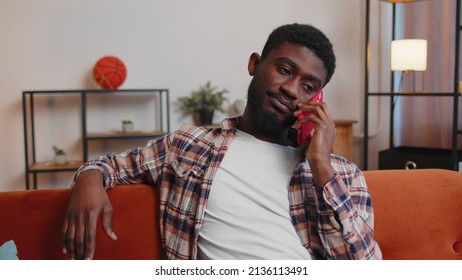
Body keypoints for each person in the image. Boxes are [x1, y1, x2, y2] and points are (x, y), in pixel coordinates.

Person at [62, 23, 382, 260]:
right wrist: (88, 181)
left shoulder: (342, 176)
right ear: (255, 63)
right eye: (285, 70)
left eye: (309, 86)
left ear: (318, 98)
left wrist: (322, 166)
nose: (291, 90)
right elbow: (109, 166)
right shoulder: (189, 145)